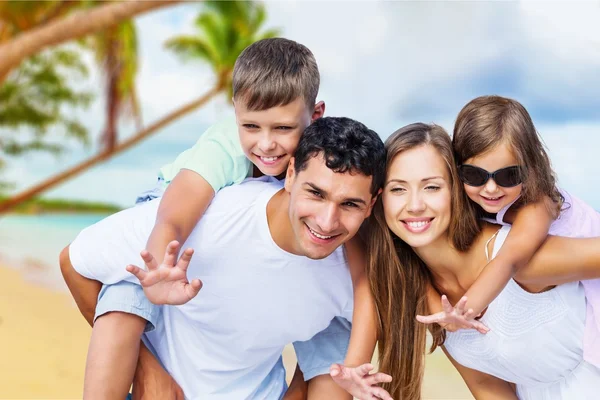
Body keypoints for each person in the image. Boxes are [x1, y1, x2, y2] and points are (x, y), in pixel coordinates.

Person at [59, 38, 380, 399]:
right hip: (170, 207)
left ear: (315, 115)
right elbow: (173, 218)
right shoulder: (225, 147)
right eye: (252, 126)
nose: (266, 144)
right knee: (128, 290)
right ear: (235, 113)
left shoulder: (327, 172)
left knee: (336, 318)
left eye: (284, 129)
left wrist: (357, 362)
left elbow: (362, 275)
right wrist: (160, 273)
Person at [367, 123, 600, 399]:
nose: (415, 205)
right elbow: (486, 385)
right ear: (380, 201)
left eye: (431, 187)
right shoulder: (427, 294)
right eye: (398, 189)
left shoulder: (518, 257)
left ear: (456, 189)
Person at [419, 95, 600, 367]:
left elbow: (510, 258)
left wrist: (466, 309)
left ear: (531, 168)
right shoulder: (474, 207)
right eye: (475, 175)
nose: (491, 188)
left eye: (508, 176)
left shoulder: (539, 203)